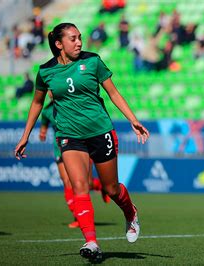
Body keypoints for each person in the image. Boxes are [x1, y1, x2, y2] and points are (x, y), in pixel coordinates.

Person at [14, 23, 150, 262]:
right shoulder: (45, 71)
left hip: (100, 132)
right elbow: (37, 103)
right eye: (73, 39)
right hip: (69, 136)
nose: (79, 42)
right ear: (59, 44)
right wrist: (26, 136)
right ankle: (91, 242)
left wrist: (133, 120)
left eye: (80, 38)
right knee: (79, 186)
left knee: (111, 189)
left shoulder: (93, 61)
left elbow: (113, 93)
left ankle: (130, 211)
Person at [39, 97, 110, 229]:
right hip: (60, 149)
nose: (50, 91)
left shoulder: (72, 103)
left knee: (85, 184)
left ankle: (100, 185)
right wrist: (42, 133)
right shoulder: (47, 111)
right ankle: (78, 216)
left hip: (80, 146)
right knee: (67, 181)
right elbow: (43, 127)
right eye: (48, 89)